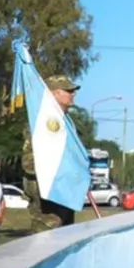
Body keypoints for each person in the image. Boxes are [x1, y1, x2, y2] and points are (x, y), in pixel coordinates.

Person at [22, 75, 81, 232]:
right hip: (49, 192)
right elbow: (29, 162)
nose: (73, 94)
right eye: (68, 90)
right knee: (45, 241)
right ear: (54, 93)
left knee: (65, 240)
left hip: (65, 191)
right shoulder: (41, 120)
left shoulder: (66, 121)